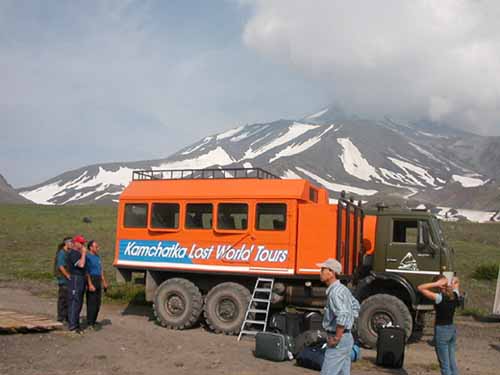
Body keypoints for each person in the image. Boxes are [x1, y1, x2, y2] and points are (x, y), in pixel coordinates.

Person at [317, 258, 360, 375]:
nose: (320, 273)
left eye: (322, 270)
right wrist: (349, 324)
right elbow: (356, 306)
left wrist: (337, 337)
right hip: (347, 338)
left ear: (331, 273)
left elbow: (342, 315)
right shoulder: (343, 289)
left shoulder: (335, 293)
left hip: (339, 340)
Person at [418, 275, 460, 375]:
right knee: (452, 362)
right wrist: (452, 281)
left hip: (442, 331)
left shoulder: (439, 298)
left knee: (445, 365)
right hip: (452, 329)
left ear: (440, 286)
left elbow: (420, 288)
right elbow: (457, 281)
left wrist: (437, 283)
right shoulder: (454, 295)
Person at [66, 234, 88, 333]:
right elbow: (81, 265)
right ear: (76, 243)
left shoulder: (78, 253)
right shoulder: (73, 253)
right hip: (75, 278)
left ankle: (76, 323)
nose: (83, 245)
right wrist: (83, 253)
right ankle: (72, 325)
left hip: (81, 278)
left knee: (79, 301)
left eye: (83, 243)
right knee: (74, 301)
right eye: (81, 243)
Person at [85, 240, 108, 329]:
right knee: (91, 302)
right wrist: (90, 284)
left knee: (98, 302)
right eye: (96, 247)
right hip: (92, 279)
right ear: (90, 247)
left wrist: (104, 281)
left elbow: (100, 269)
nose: (98, 248)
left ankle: (94, 321)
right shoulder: (88, 257)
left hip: (98, 279)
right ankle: (90, 323)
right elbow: (87, 272)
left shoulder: (97, 257)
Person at [54, 237, 72, 323]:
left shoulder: (68, 253)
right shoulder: (62, 253)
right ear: (66, 243)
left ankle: (67, 317)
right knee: (63, 299)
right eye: (71, 242)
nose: (72, 244)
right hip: (63, 279)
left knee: (68, 299)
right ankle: (61, 317)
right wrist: (67, 275)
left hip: (68, 279)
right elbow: (61, 266)